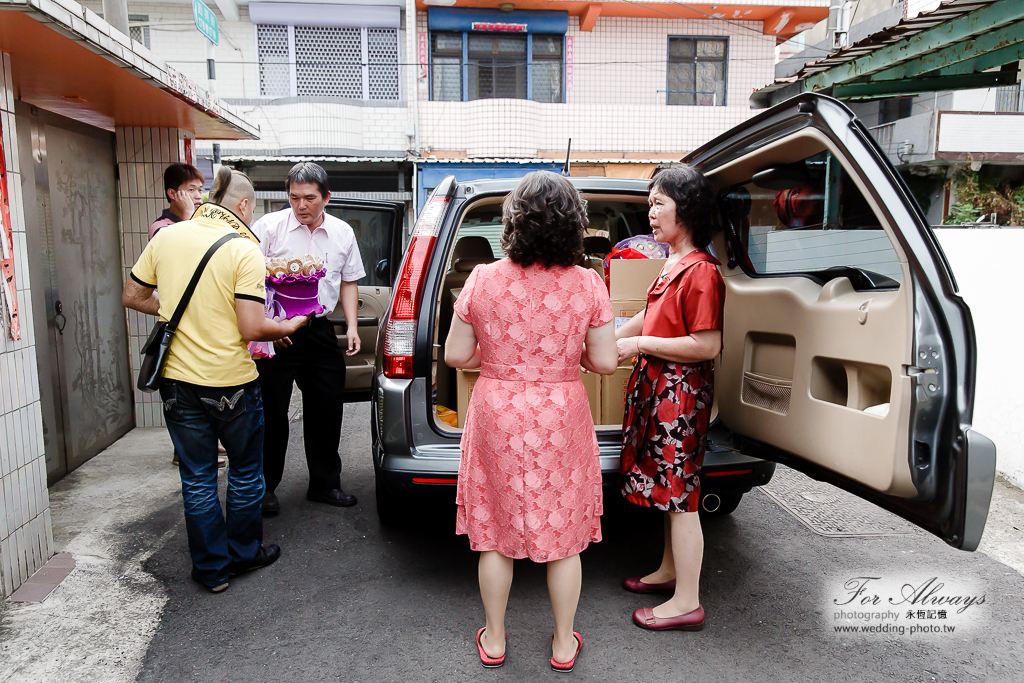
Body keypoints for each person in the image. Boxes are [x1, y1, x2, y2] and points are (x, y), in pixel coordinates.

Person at [445, 171, 618, 672]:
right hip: (559, 409)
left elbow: (457, 355)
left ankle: (495, 639)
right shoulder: (588, 282)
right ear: (574, 225)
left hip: (498, 406)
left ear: (512, 222)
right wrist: (570, 356)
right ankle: (564, 643)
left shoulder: (482, 278)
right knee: (562, 532)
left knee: (496, 531)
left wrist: (496, 353)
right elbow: (605, 362)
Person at [122, 167, 308, 593]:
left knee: (198, 476)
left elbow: (132, 296)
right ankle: (244, 555)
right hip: (233, 384)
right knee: (245, 472)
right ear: (243, 206)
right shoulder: (244, 250)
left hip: (177, 383)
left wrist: (171, 308)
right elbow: (252, 327)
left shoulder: (166, 237)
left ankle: (211, 570)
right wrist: (290, 325)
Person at [614, 165, 725, 631]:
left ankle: (687, 602)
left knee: (681, 498)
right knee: (667, 490)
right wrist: (606, 342)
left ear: (687, 209)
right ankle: (669, 571)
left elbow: (706, 344)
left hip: (680, 397)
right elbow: (648, 316)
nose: (651, 212)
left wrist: (637, 345)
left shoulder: (701, 271)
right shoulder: (673, 262)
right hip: (661, 393)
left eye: (660, 203)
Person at [250, 162, 365, 515]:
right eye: (294, 197)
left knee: (327, 409)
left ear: (326, 197)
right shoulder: (268, 228)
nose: (301, 205)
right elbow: (249, 280)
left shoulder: (343, 232)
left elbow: (348, 281)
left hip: (319, 330)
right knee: (271, 412)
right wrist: (271, 324)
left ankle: (325, 484)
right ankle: (265, 488)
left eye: (309, 198)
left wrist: (352, 326)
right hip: (277, 333)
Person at [149, 163, 205, 239]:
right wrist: (188, 212)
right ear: (172, 193)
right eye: (191, 190)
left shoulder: (203, 221)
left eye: (200, 190)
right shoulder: (161, 228)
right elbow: (191, 246)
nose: (198, 196)